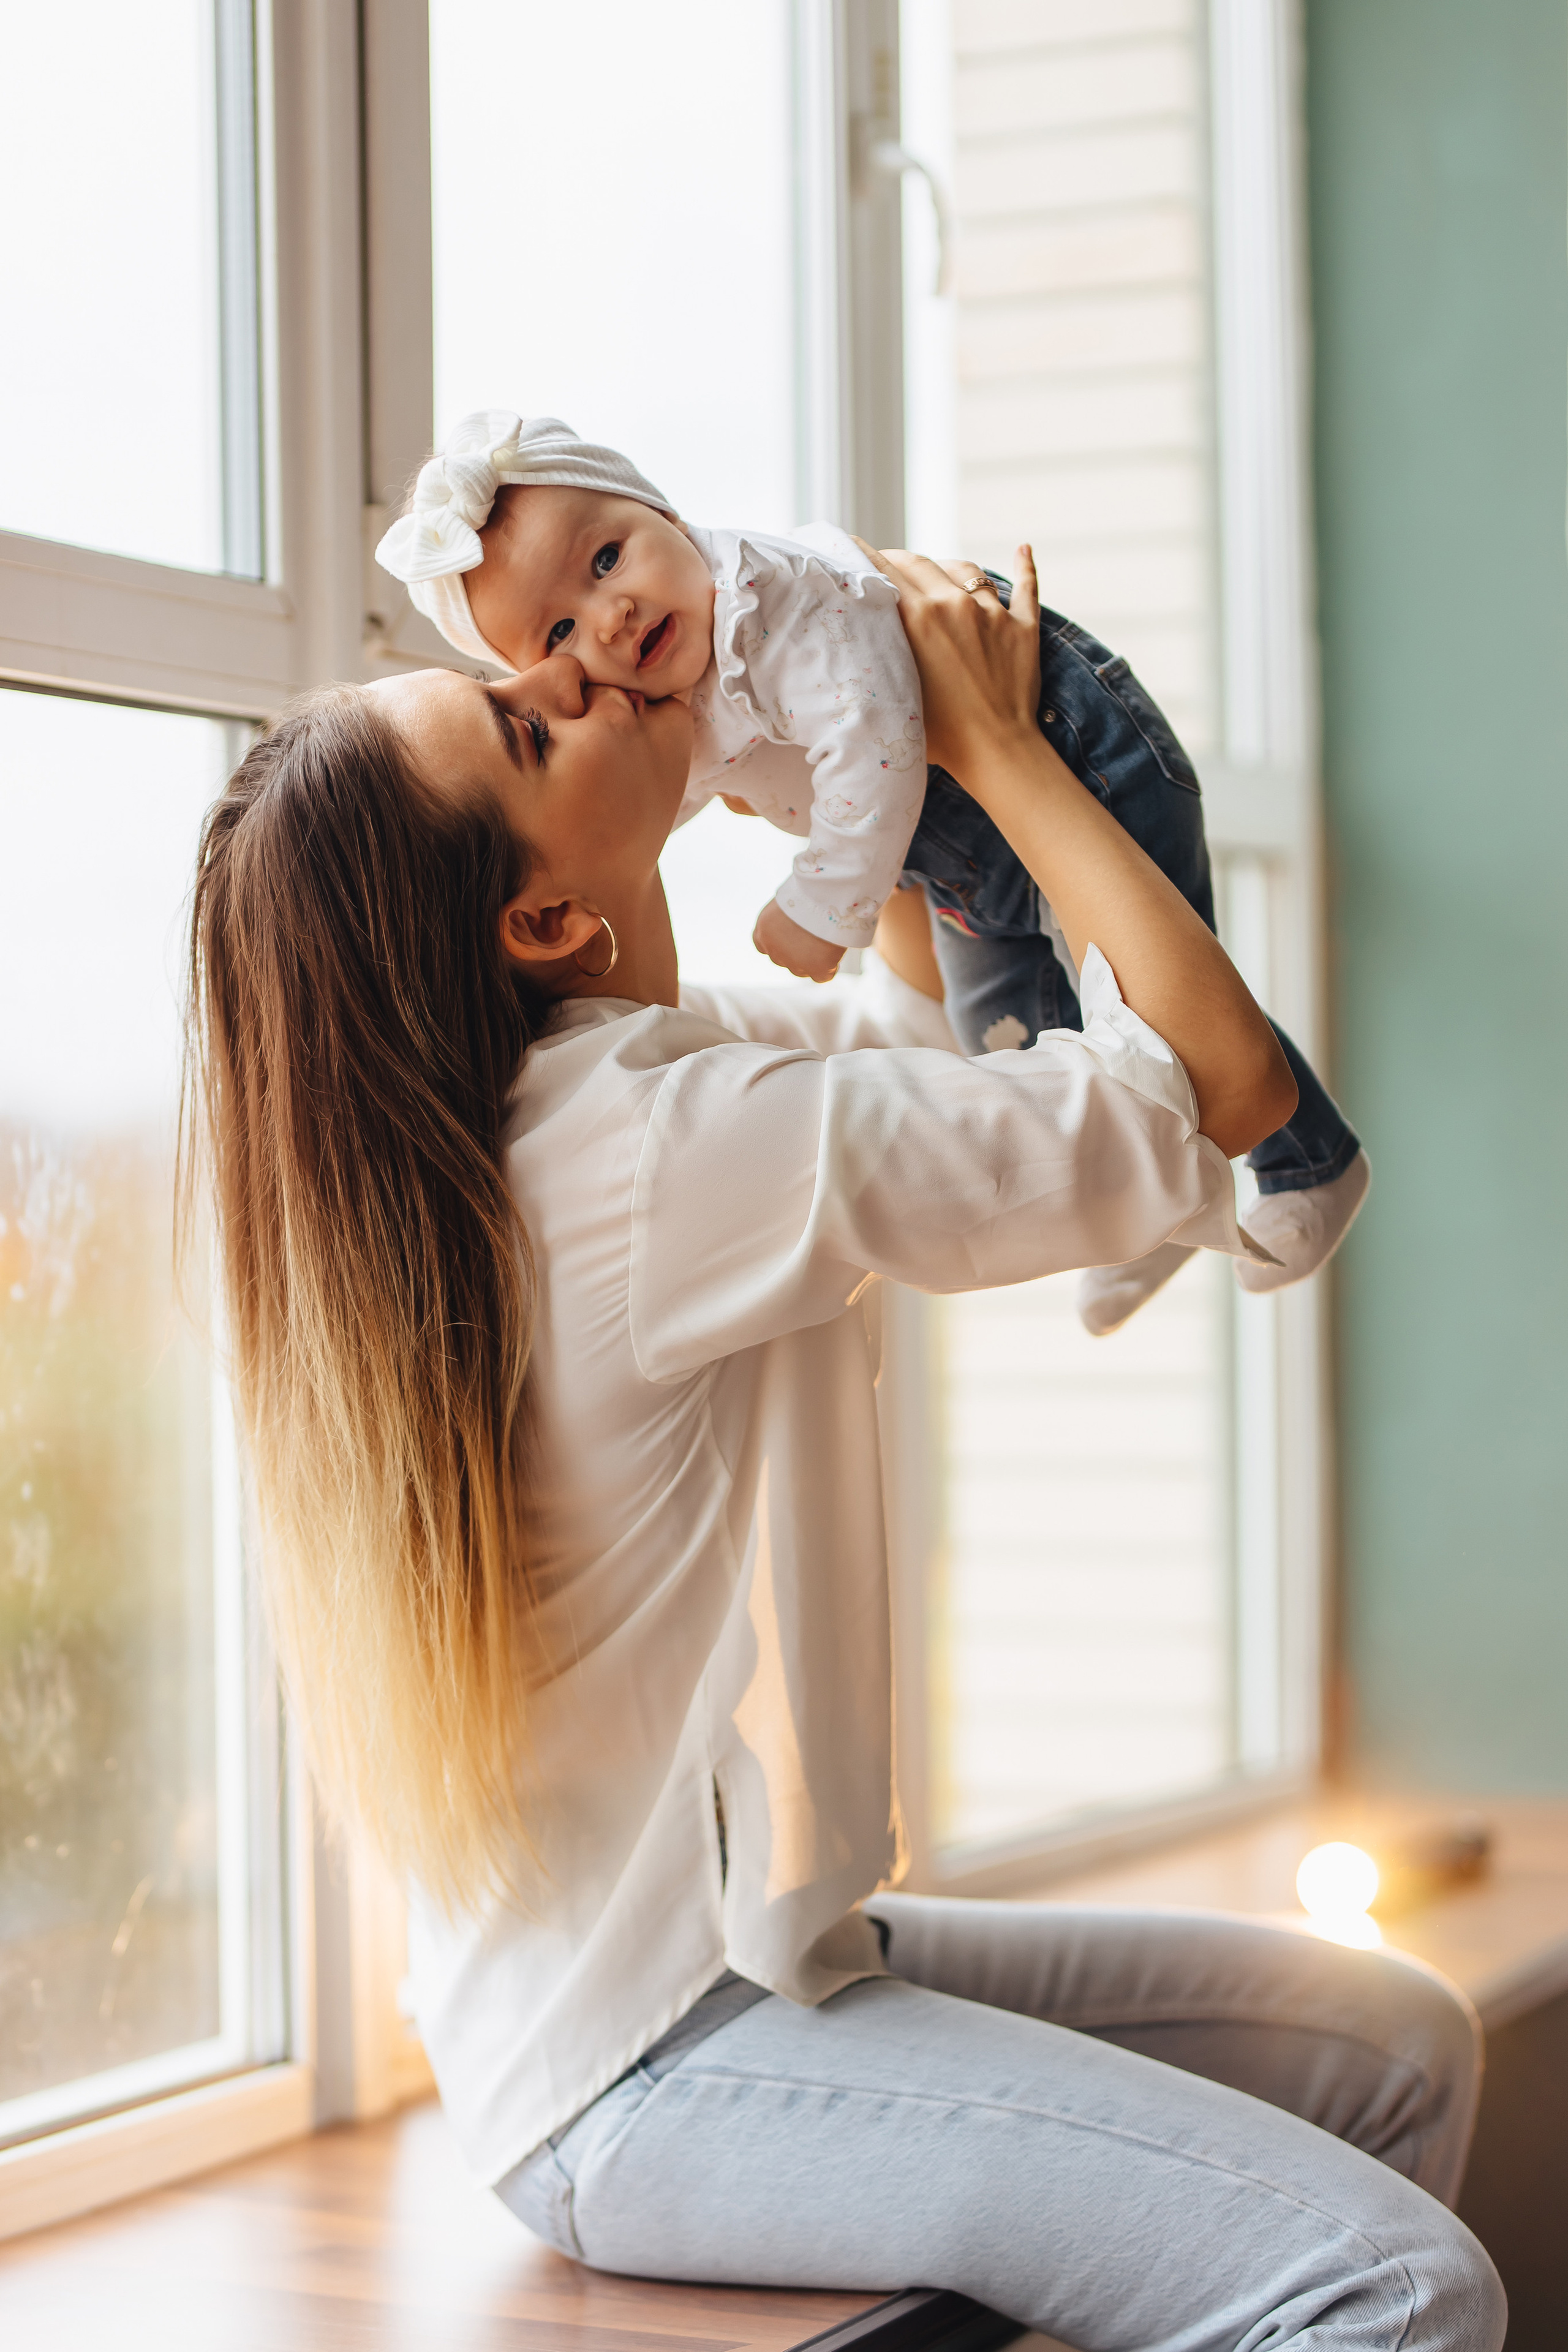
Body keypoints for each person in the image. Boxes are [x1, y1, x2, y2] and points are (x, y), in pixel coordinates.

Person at [184, 544, 1502, 2351]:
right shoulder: (647, 1150)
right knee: (1401, 2286)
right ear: (542, 921)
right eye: (525, 723)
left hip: (735, 1957)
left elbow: (914, 1065)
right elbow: (1211, 1097)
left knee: (1395, 2041)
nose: (570, 667)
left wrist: (869, 775)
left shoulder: (616, 1093)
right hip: (641, 2067)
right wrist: (1004, 751)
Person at [373, 409, 1370, 1337]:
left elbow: (876, 748)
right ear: (544, 919)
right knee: (1001, 1030)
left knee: (1133, 997)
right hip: (967, 842)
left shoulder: (769, 608)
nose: (595, 635)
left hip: (1074, 755)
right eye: (544, 664)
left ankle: (1307, 1163)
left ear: (668, 515)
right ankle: (1143, 1204)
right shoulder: (658, 1135)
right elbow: (921, 1030)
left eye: (607, 558)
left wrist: (826, 897)